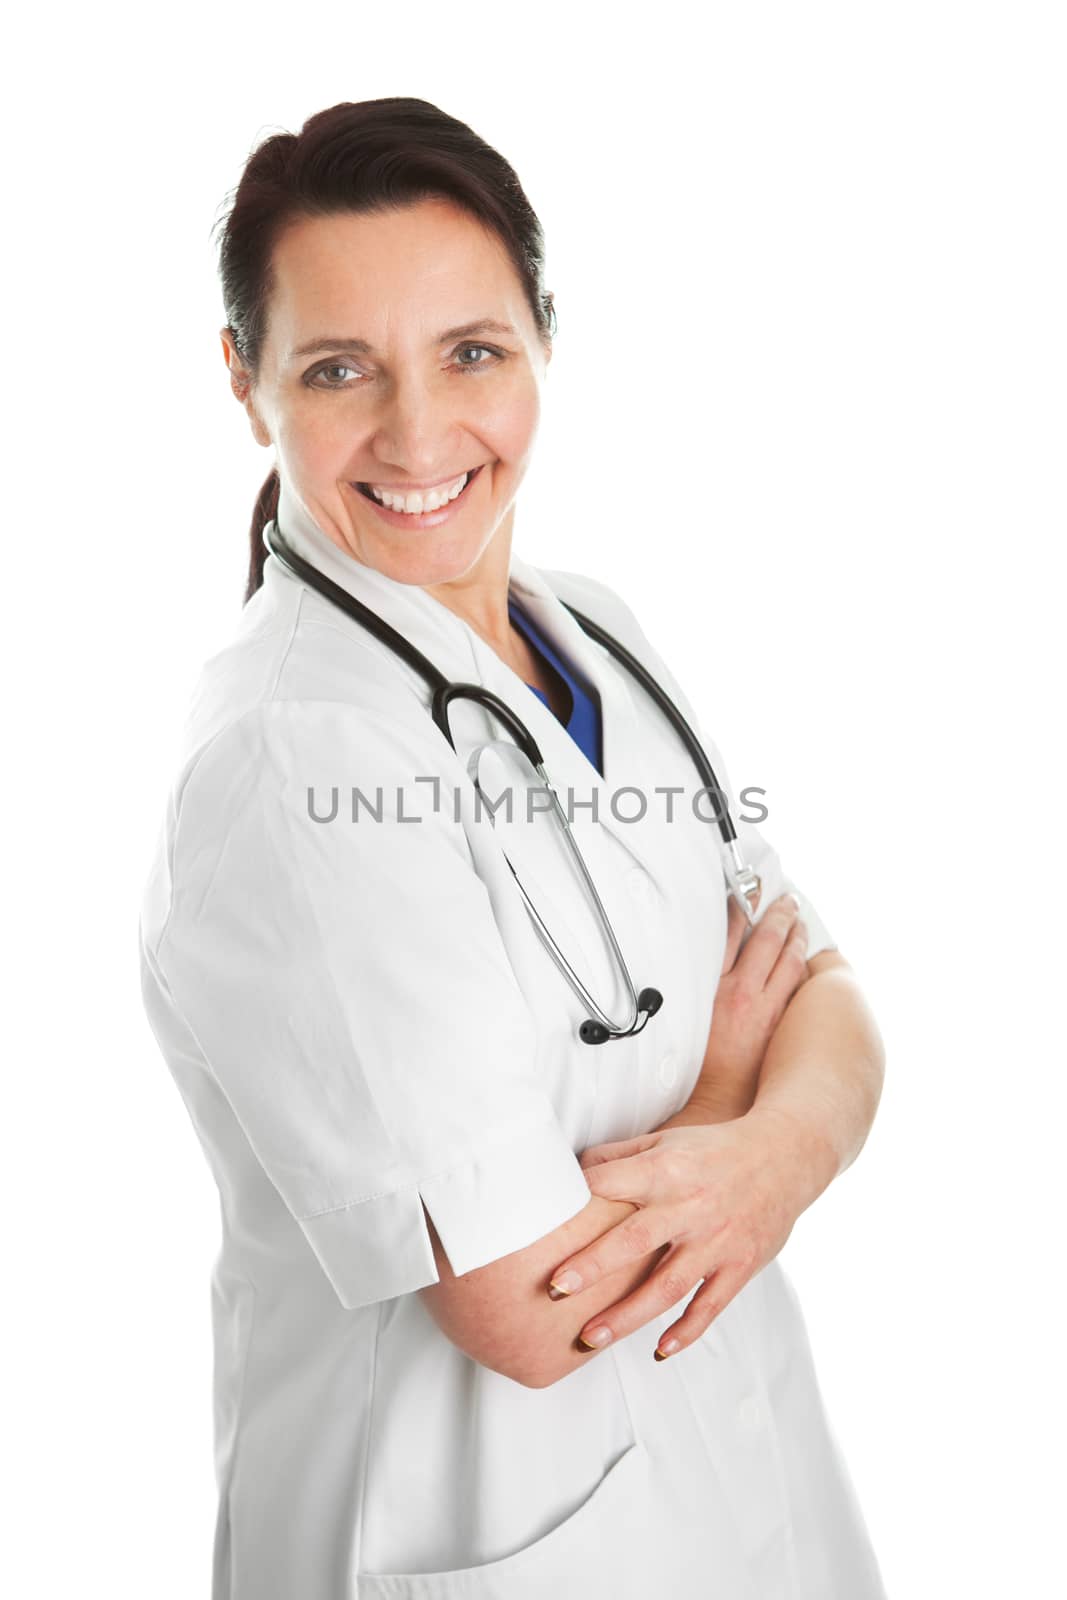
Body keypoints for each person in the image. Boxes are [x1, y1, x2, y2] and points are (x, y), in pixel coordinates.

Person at [138, 97, 888, 1599]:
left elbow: (825, 986)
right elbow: (532, 1309)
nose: (419, 436)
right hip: (482, 1537)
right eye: (339, 369)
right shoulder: (296, 763)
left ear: (545, 337)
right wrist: (748, 1106)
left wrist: (778, 1145)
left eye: (470, 352)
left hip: (743, 1482)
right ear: (245, 382)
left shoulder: (593, 627)